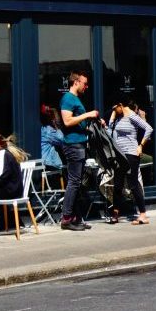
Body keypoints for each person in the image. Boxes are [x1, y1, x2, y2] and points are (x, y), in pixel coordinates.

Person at [57, 70, 101, 230]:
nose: (86, 87)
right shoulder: (68, 99)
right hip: (73, 145)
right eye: (85, 83)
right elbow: (67, 121)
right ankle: (67, 218)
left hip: (79, 144)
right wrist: (88, 114)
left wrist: (93, 119)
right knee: (74, 182)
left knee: (77, 183)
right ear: (76, 82)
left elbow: (78, 122)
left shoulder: (75, 99)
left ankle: (75, 217)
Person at [104, 101, 154, 225]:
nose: (113, 110)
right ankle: (115, 214)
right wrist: (111, 119)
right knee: (118, 184)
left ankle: (143, 214)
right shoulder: (118, 118)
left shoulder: (132, 116)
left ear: (121, 105)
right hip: (119, 155)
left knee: (133, 184)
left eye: (115, 108)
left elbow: (149, 128)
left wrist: (141, 145)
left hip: (131, 153)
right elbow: (111, 134)